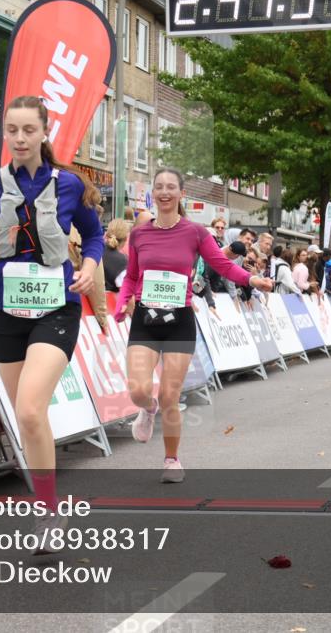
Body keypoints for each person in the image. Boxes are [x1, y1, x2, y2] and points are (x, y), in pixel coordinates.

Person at [0, 95, 103, 551]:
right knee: (26, 419)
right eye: (12, 130)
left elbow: (94, 233)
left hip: (57, 308)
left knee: (32, 409)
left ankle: (48, 515)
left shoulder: (70, 184)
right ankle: (49, 503)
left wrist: (92, 264)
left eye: (28, 130)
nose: (19, 138)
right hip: (5, 312)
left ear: (43, 133)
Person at [116, 168, 272, 483]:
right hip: (146, 318)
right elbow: (132, 275)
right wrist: (122, 303)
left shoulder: (195, 232)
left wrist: (251, 279)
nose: (164, 192)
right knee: (138, 389)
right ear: (153, 194)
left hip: (179, 321)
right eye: (159, 187)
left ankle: (172, 460)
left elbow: (222, 264)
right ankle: (147, 409)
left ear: (180, 193)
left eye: (170, 187)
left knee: (171, 396)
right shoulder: (139, 234)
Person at [103, 219, 131, 292]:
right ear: (125, 239)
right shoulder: (122, 261)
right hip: (110, 302)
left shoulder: (95, 251)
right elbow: (126, 295)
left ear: (106, 235)